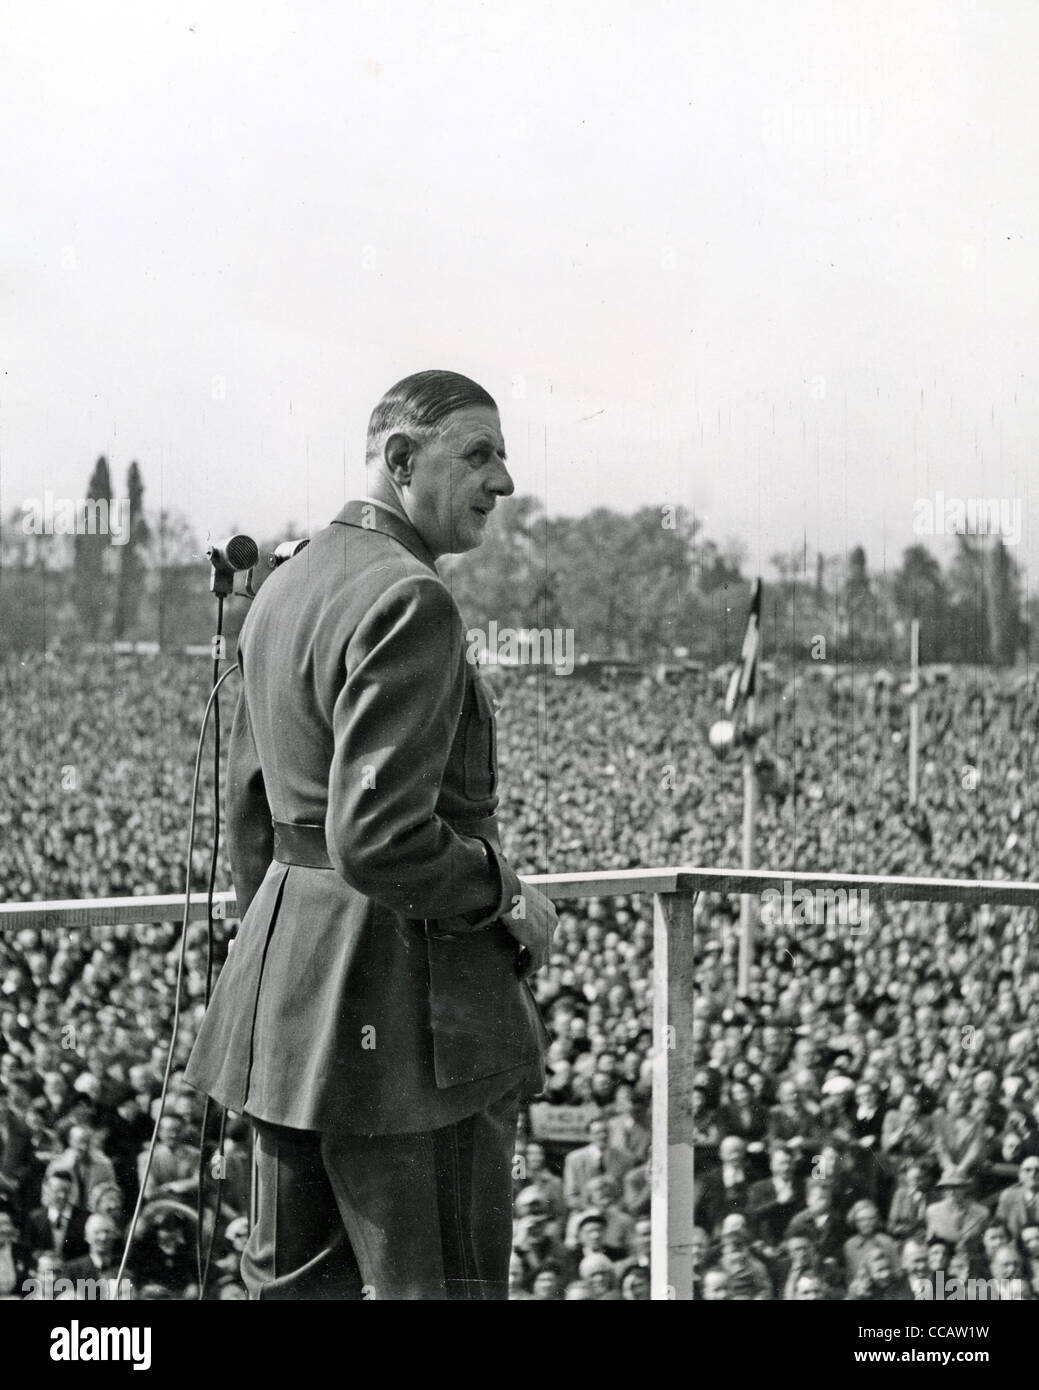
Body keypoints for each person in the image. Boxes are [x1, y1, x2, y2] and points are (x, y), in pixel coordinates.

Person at [185, 370, 557, 1301]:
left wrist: (287, 977)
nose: (504, 481)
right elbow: (380, 839)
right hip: (407, 1033)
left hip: (287, 1018)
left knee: (292, 1290)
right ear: (400, 460)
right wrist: (504, 894)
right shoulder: (410, 598)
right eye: (478, 454)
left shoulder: (283, 584)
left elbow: (250, 812)